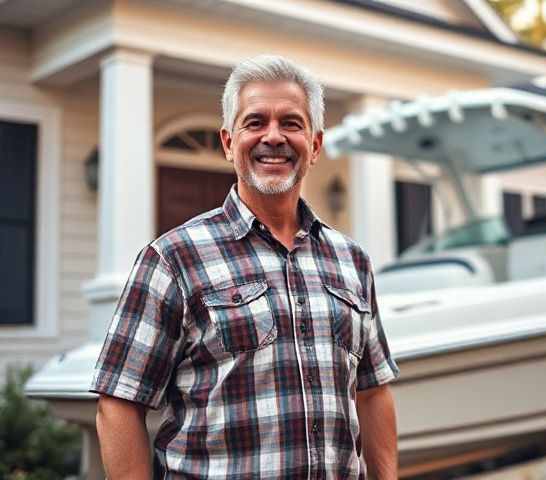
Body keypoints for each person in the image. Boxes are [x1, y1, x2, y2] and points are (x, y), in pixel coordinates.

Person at [91, 55, 399, 479]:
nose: (273, 136)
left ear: (315, 145)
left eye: (291, 123)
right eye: (255, 122)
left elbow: (373, 390)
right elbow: (119, 402)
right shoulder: (173, 258)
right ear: (227, 142)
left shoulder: (352, 261)